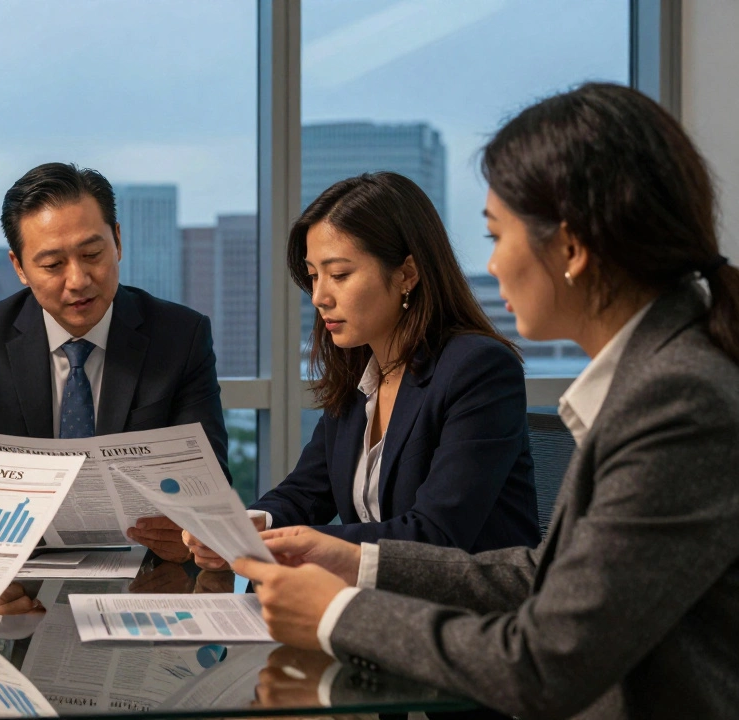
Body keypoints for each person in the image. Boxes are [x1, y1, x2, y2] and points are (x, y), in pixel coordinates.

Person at [233, 83, 739, 718]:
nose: (493, 266)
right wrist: (351, 560)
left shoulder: (678, 400)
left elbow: (544, 664)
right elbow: (540, 576)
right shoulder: (659, 378)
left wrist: (338, 613)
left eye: (497, 236)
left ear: (573, 248)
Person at [188, 172, 539, 571]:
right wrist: (248, 527)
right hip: (380, 609)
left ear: (407, 273)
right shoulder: (361, 372)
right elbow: (305, 491)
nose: (319, 296)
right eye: (314, 275)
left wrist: (290, 543)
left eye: (339, 275)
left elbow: (436, 536)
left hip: (469, 618)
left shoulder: (477, 368)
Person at [0, 162, 230, 561]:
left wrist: (192, 531)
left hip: (145, 568)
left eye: (92, 254)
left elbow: (209, 485)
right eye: (52, 265)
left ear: (118, 241)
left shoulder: (180, 336)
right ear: (19, 267)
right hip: (16, 571)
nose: (78, 280)